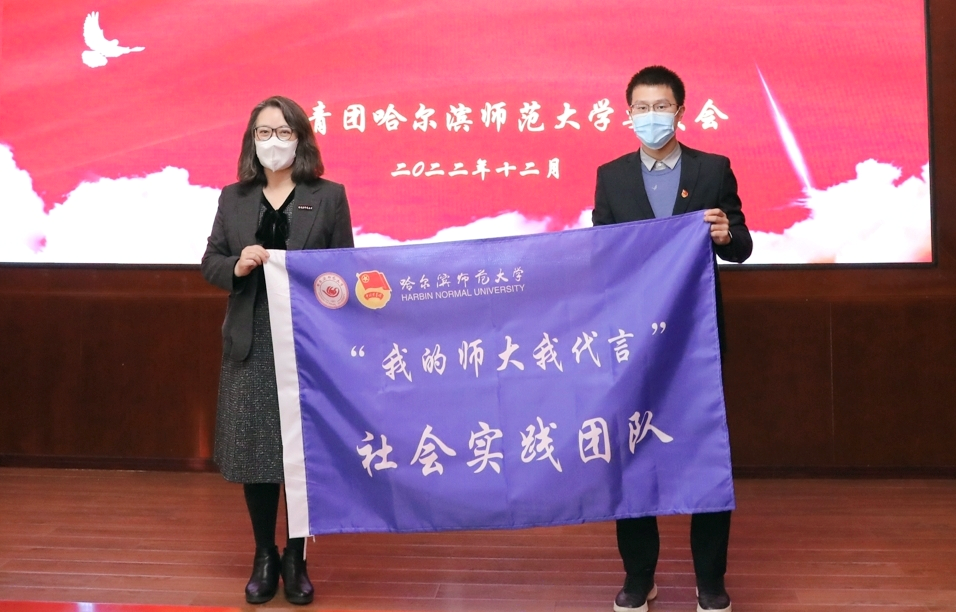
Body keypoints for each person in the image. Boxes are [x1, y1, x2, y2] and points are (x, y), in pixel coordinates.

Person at [593, 66, 753, 612]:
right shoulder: (612, 176)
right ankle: (639, 578)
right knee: (632, 454)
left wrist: (727, 234)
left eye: (660, 106)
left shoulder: (713, 168)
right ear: (628, 114)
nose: (651, 116)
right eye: (641, 108)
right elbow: (600, 254)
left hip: (695, 341)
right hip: (632, 341)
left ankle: (710, 580)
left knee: (705, 453)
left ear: (680, 111)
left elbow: (741, 246)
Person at [201, 95, 354, 605]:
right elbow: (210, 262)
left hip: (307, 344)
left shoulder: (328, 196)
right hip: (251, 339)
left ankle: (296, 558)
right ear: (252, 140)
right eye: (264, 132)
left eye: (284, 132)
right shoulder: (234, 198)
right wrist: (237, 264)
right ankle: (264, 554)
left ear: (301, 138)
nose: (273, 142)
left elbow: (345, 272)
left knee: (300, 457)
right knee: (257, 452)